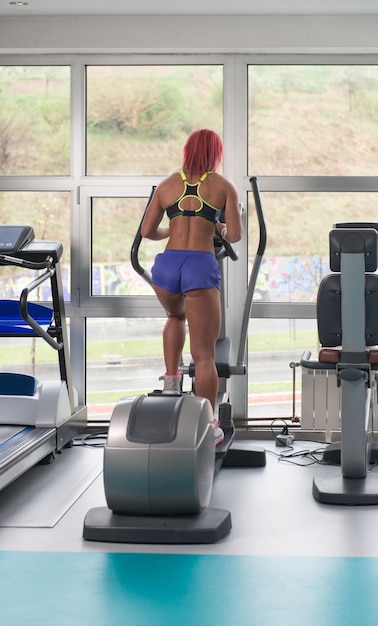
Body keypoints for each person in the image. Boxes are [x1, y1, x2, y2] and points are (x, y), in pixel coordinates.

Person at [141, 129, 243, 445]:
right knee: (204, 356)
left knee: (175, 317)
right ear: (215, 152)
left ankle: (172, 381)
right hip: (200, 264)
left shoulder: (168, 184)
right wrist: (219, 227)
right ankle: (210, 424)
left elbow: (147, 231)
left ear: (187, 151)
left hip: (168, 266)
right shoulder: (224, 187)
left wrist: (172, 230)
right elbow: (235, 236)